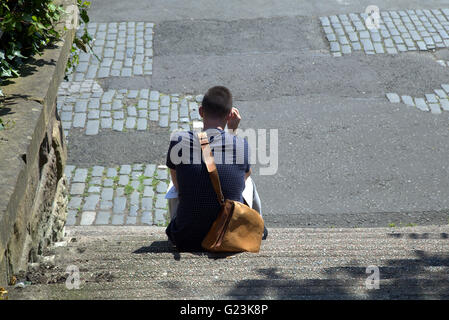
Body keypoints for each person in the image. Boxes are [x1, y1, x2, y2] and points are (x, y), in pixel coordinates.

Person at [165, 86, 267, 252]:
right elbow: (241, 180)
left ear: (201, 111)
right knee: (248, 181)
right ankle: (257, 227)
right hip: (229, 234)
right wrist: (232, 132)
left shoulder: (179, 140)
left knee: (176, 182)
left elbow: (177, 186)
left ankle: (180, 221)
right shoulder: (241, 145)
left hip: (185, 237)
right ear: (229, 116)